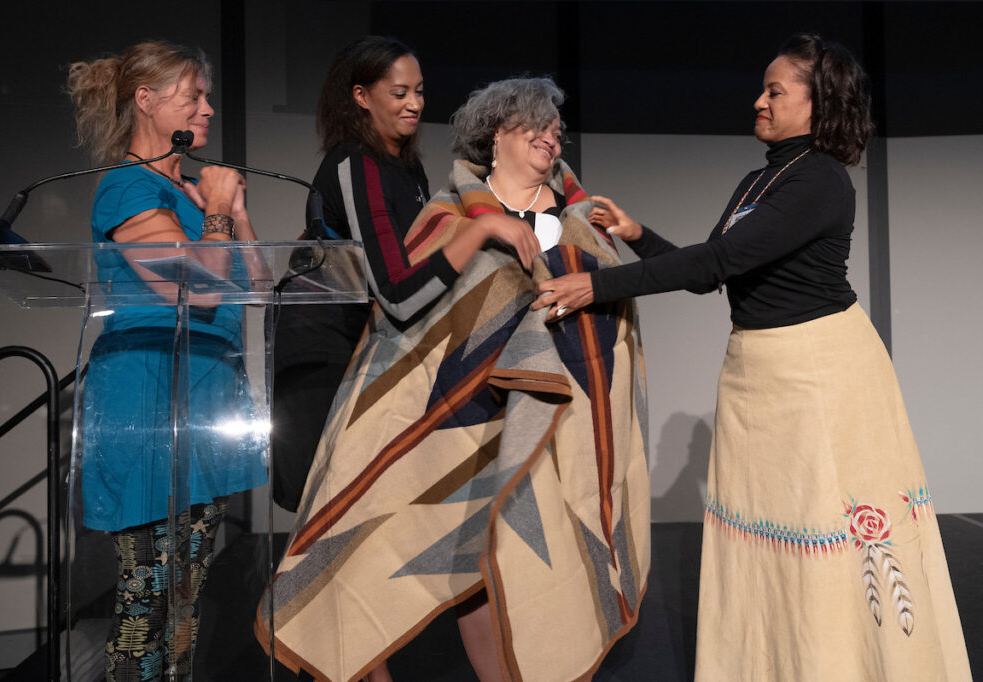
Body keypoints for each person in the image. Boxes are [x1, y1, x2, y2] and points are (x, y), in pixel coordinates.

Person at [534, 33, 972, 681]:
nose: (758, 101)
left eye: (775, 91)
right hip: (756, 375)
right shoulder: (759, 179)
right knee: (769, 532)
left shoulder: (822, 180)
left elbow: (717, 261)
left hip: (819, 375)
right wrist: (635, 237)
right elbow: (711, 274)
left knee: (823, 528)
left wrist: (596, 285)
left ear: (819, 104)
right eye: (762, 89)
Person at [257, 77, 651, 682]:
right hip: (457, 420)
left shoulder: (587, 221)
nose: (550, 137)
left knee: (532, 569)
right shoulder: (446, 217)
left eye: (555, 129)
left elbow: (615, 331)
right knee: (453, 563)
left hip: (555, 420)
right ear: (496, 135)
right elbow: (409, 323)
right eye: (534, 126)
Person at [68, 40, 267, 680]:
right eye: (194, 96)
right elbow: (199, 288)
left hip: (205, 405)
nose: (207, 110)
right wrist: (213, 209)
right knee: (146, 605)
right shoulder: (126, 187)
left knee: (183, 606)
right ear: (146, 102)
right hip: (151, 404)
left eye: (206, 96)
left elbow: (258, 287)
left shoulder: (193, 190)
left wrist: (233, 210)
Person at [270, 36, 430, 515]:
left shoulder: (409, 168)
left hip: (371, 345)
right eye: (399, 93)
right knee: (326, 507)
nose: (415, 104)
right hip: (324, 352)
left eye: (420, 91)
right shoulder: (353, 163)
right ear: (361, 96)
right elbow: (393, 282)